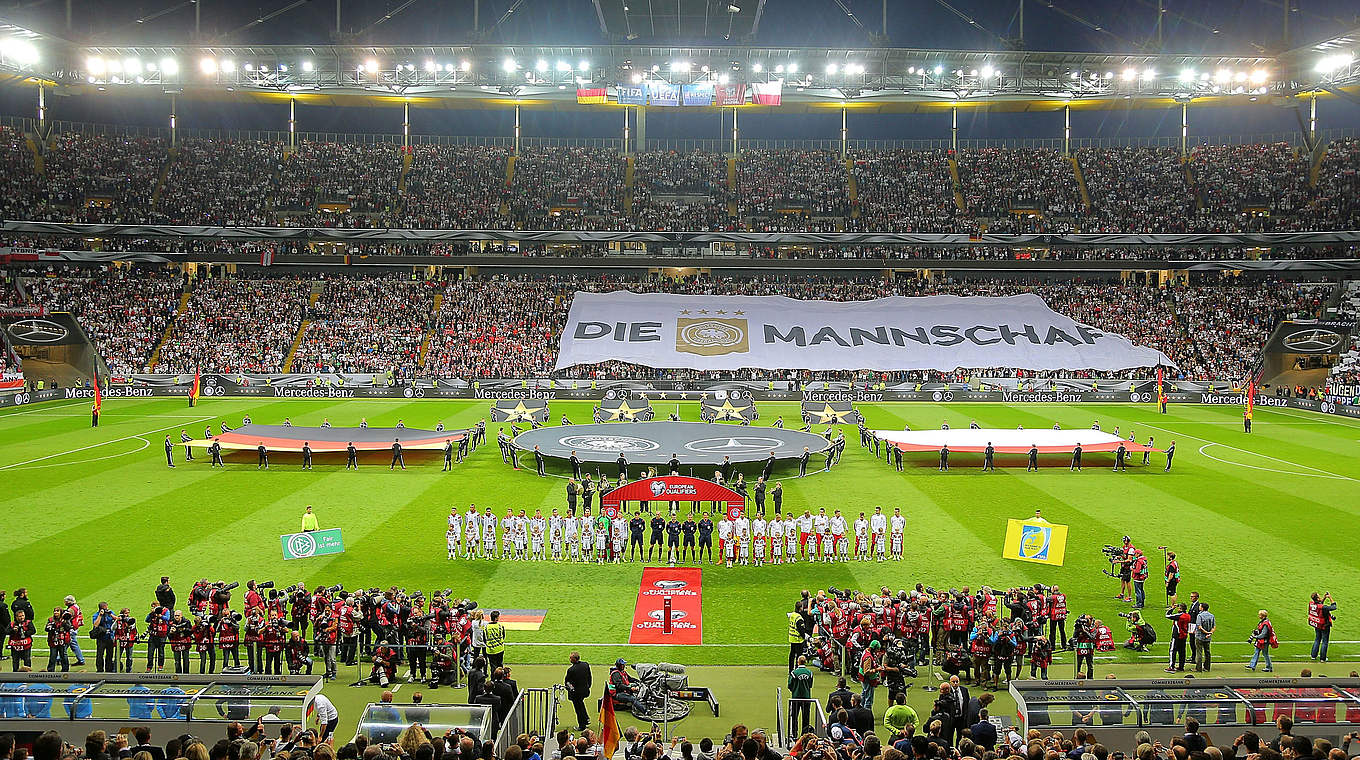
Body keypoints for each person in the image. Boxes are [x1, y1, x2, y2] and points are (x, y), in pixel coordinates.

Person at [564, 651, 592, 731]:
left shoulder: (571, 670)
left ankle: (582, 725)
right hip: (585, 691)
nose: (569, 659)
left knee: (578, 709)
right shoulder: (585, 665)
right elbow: (589, 677)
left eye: (570, 658)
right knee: (581, 704)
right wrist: (588, 686)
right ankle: (586, 719)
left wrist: (570, 689)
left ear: (574, 659)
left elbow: (567, 682)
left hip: (576, 693)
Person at [788, 655, 814, 736]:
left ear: (798, 662)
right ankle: (805, 734)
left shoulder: (794, 673)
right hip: (807, 698)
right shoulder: (810, 673)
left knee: (794, 717)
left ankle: (794, 734)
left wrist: (795, 690)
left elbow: (790, 685)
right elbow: (810, 685)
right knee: (806, 717)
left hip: (796, 698)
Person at [1309, 591, 1337, 662]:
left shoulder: (1312, 604)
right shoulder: (1323, 607)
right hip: (1324, 625)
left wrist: (1324, 597)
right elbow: (1334, 607)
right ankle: (1323, 658)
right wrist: (1330, 598)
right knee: (1325, 641)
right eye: (1319, 596)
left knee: (1317, 639)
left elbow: (1320, 604)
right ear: (1318, 598)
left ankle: (1313, 656)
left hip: (1317, 624)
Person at [1193, 602, 1215, 671]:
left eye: (1200, 606)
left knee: (1199, 652)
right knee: (1207, 652)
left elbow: (1199, 627)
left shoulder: (1200, 616)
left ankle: (1198, 668)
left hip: (1200, 636)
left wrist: (1206, 632)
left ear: (1202, 608)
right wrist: (1210, 633)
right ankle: (1207, 667)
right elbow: (1214, 626)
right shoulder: (1212, 616)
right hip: (1208, 638)